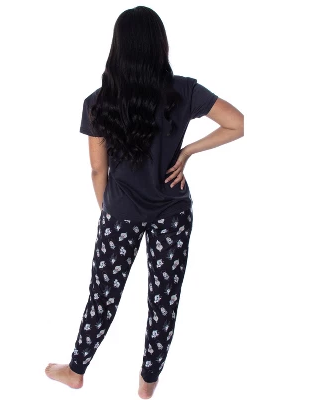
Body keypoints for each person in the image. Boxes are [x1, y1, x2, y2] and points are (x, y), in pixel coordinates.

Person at [45, 5, 243, 399]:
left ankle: (76, 370)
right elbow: (237, 123)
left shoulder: (99, 102)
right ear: (159, 45)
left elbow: (97, 171)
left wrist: (109, 211)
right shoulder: (183, 91)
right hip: (173, 212)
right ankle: (147, 383)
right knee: (164, 299)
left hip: (120, 213)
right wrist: (186, 152)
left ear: (118, 48)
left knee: (103, 294)